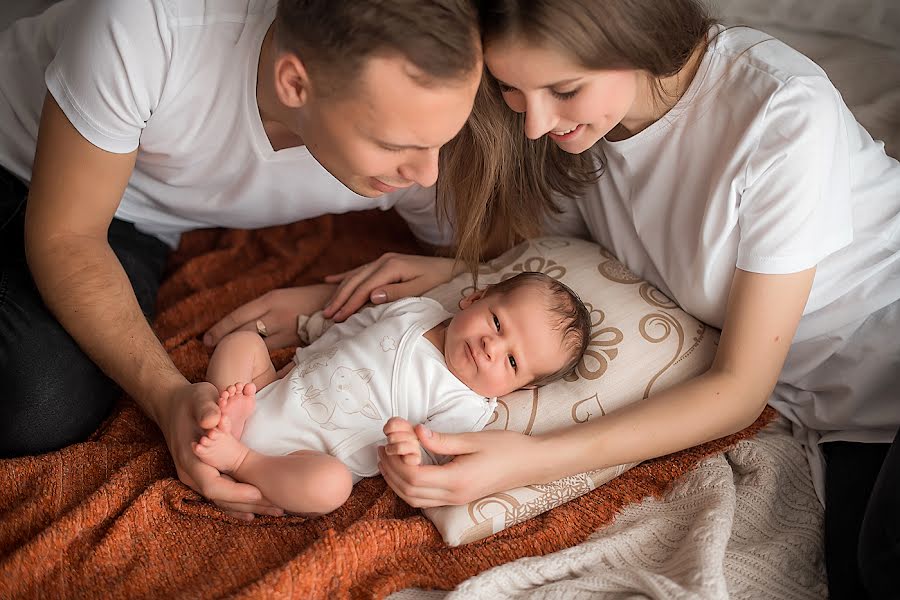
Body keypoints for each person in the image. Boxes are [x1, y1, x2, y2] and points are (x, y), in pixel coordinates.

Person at [215, 0, 899, 596]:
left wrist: (529, 459)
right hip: (838, 420)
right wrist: (446, 278)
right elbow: (552, 266)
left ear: (629, 31)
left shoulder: (777, 116)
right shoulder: (586, 125)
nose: (537, 123)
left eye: (564, 90)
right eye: (514, 90)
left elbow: (740, 387)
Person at [0, 0, 483, 520]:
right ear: (295, 84)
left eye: (441, 141)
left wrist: (346, 296)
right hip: (15, 162)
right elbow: (67, 237)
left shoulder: (416, 131)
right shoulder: (149, 24)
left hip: (136, 223)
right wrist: (167, 398)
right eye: (394, 144)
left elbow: (502, 263)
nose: (428, 174)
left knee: (40, 405)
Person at [194, 272, 590, 515]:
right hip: (271, 392)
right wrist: (296, 359)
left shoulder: (466, 405)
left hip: (302, 456)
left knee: (330, 487)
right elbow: (351, 330)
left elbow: (431, 457)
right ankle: (222, 416)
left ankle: (240, 458)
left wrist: (409, 450)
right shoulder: (417, 310)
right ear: (474, 298)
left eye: (513, 363)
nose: (491, 347)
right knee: (242, 344)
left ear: (521, 389)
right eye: (497, 323)